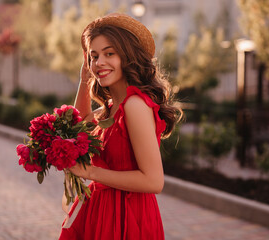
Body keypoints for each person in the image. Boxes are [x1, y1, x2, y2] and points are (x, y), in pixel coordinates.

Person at [59, 13, 181, 240]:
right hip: (99, 210)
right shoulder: (112, 108)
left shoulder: (134, 106)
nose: (99, 63)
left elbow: (154, 181)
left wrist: (92, 172)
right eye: (93, 56)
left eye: (109, 53)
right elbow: (78, 127)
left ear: (128, 57)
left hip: (127, 216)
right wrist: (84, 78)